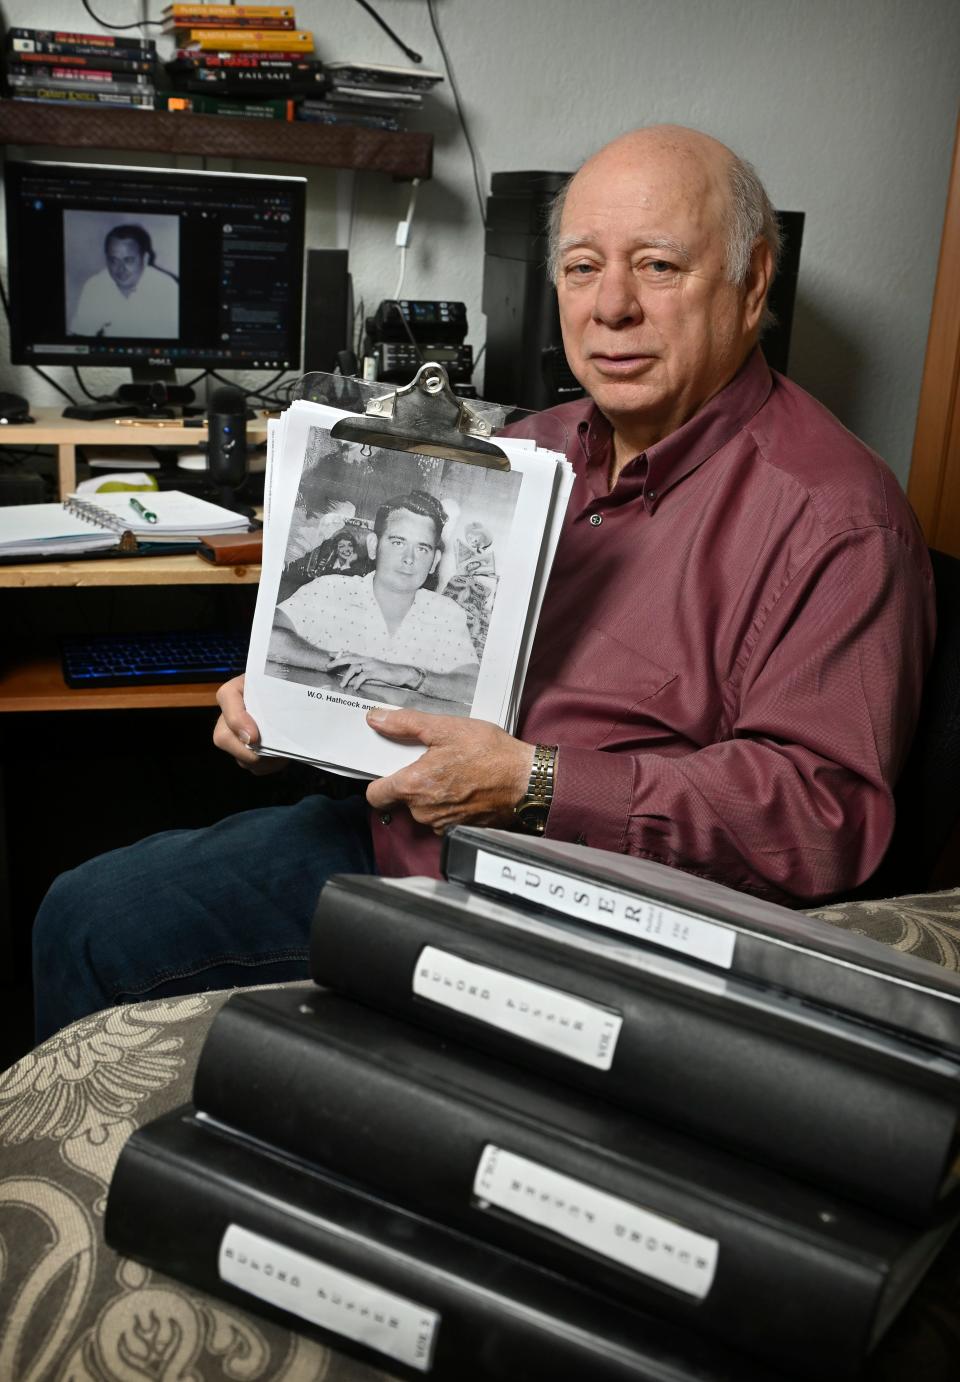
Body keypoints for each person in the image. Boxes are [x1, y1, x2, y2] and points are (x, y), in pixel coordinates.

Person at [32, 124, 935, 1039]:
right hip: (400, 835)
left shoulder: (838, 519)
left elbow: (823, 818)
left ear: (753, 283)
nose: (610, 306)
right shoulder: (530, 450)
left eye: (658, 266)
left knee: (105, 929)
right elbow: (420, 660)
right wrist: (288, 704)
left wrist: (537, 781)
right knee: (87, 912)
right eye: (583, 268)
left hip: (576, 919)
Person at [267, 490, 479, 702]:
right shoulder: (329, 589)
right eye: (398, 542)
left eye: (422, 548)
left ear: (435, 560)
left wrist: (407, 675)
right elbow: (269, 638)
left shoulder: (446, 613)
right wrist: (350, 666)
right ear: (373, 546)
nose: (409, 558)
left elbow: (473, 687)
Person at [69, 224, 179, 339]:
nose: (120, 269)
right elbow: (81, 337)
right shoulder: (95, 286)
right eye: (114, 260)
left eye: (129, 260)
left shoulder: (168, 289)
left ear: (145, 259)